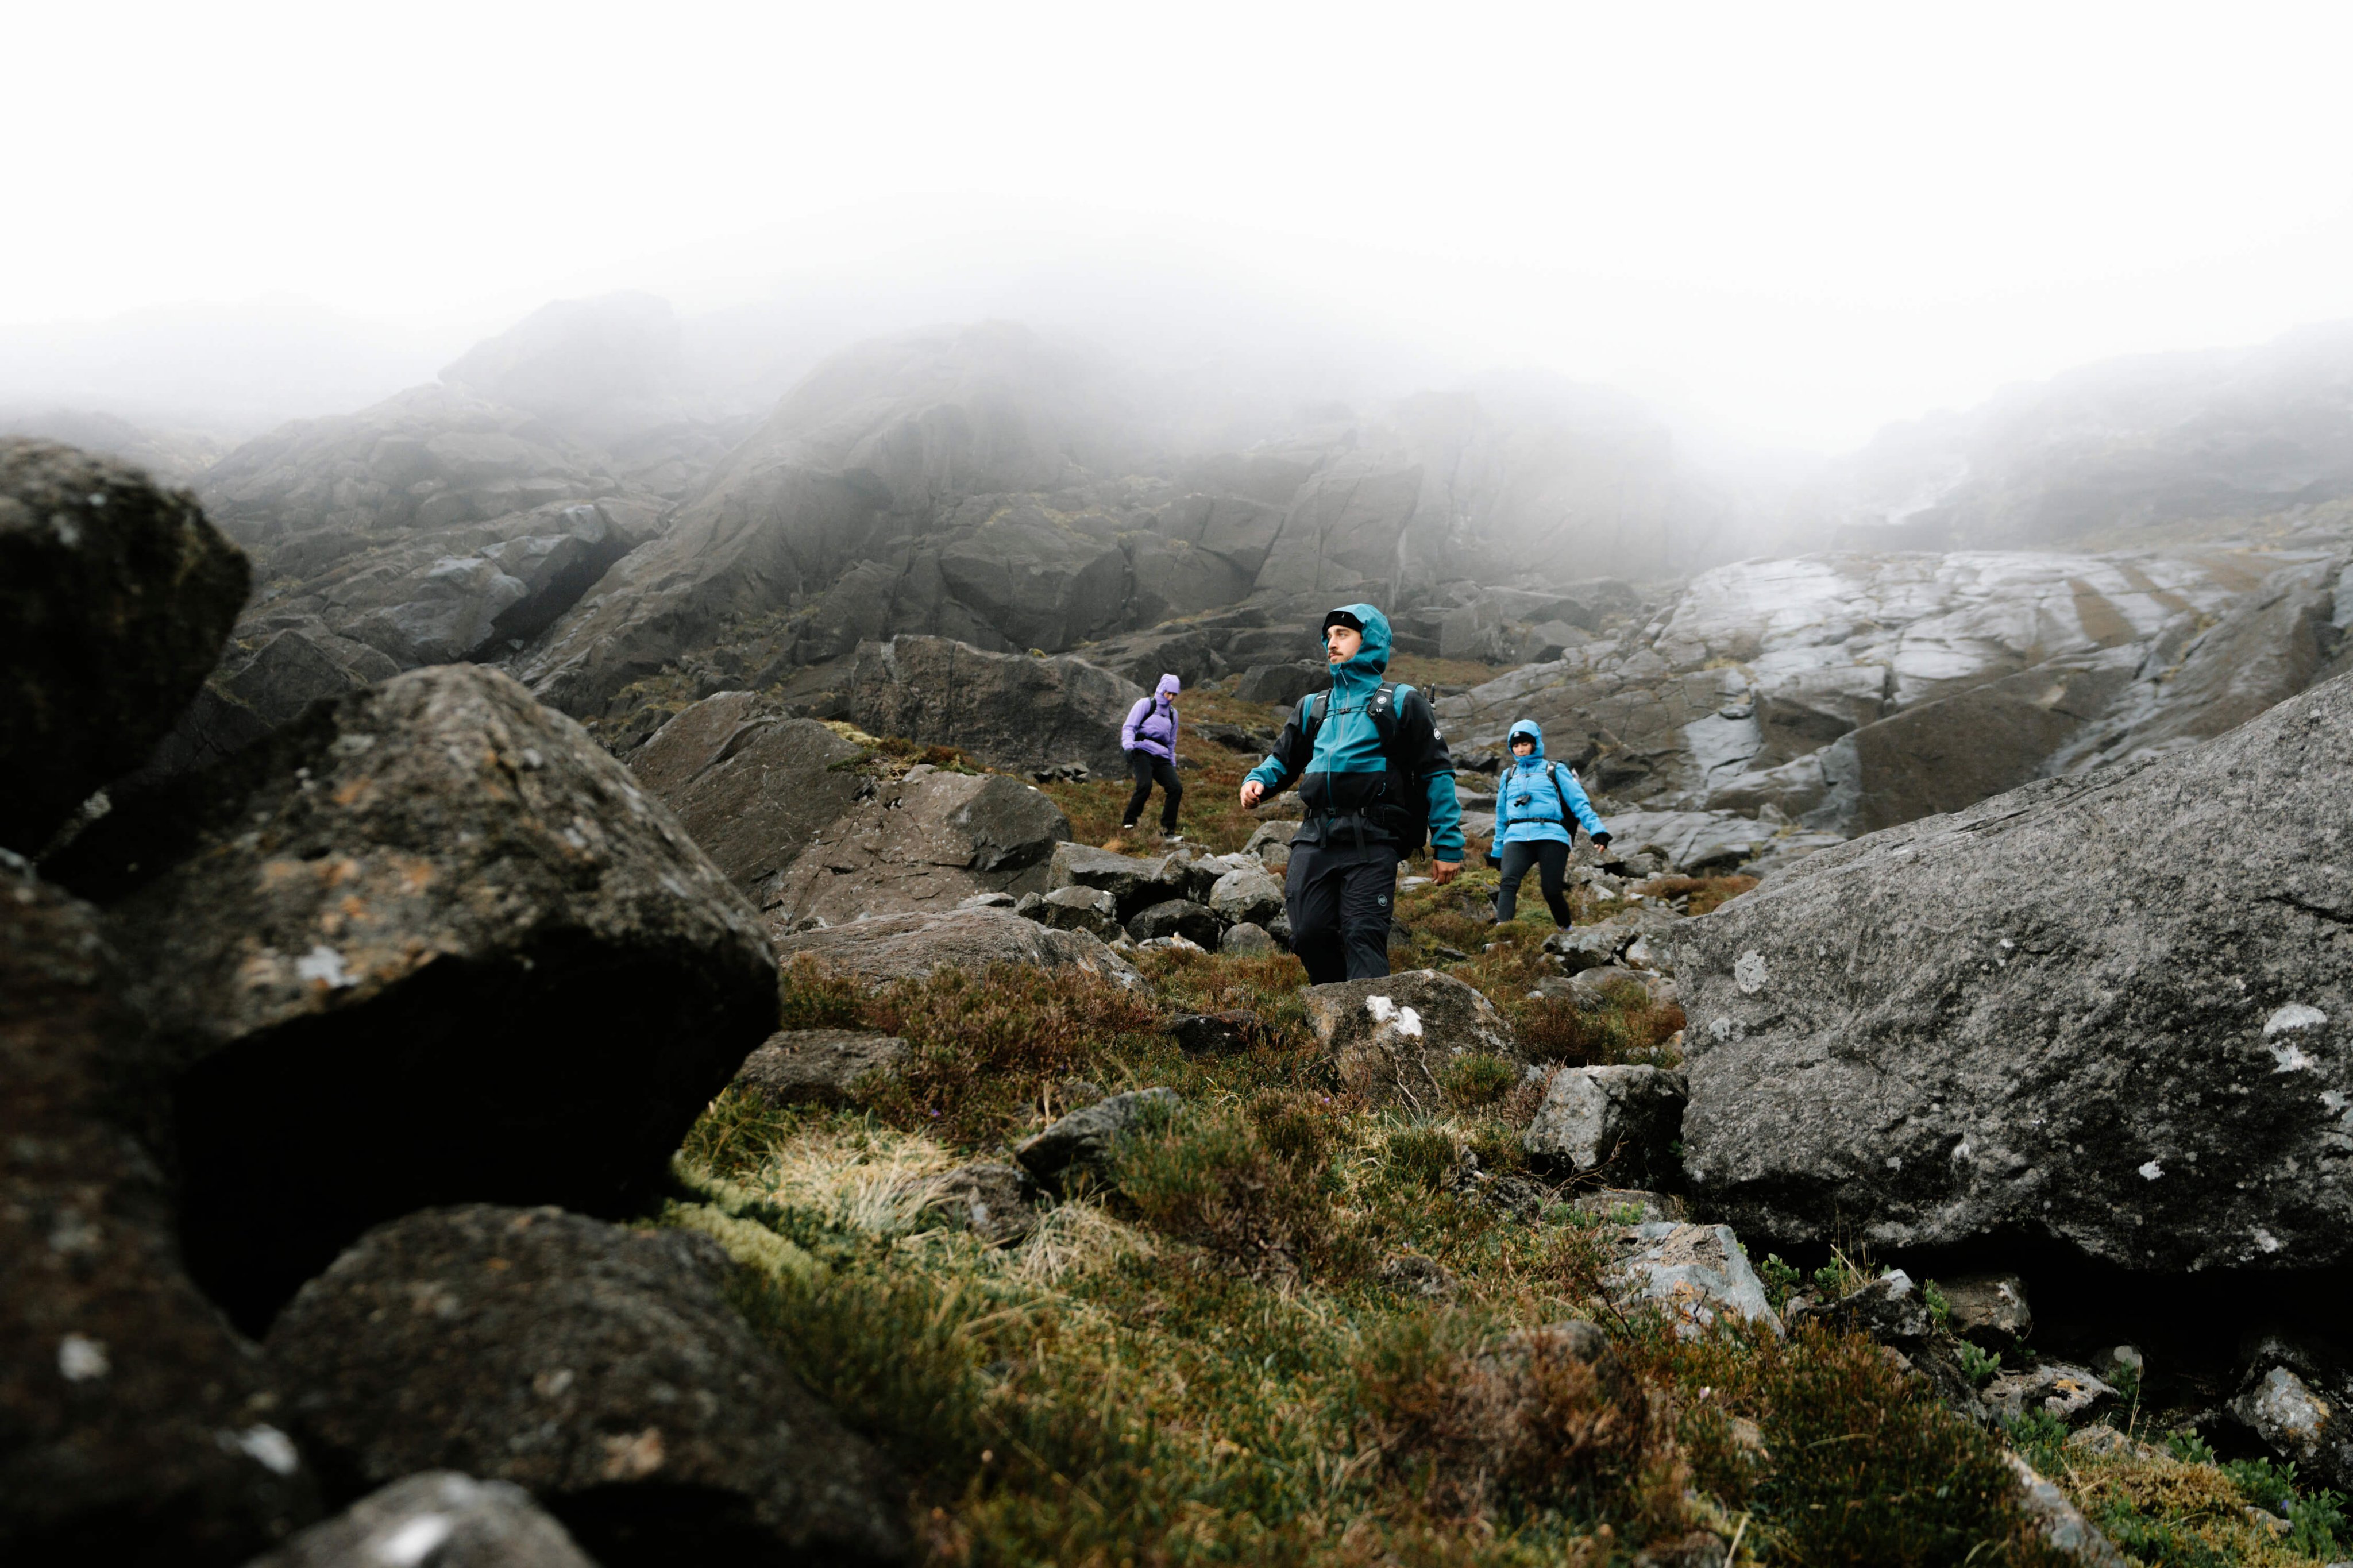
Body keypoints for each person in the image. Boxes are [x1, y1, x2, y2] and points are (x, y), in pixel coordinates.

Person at [1238, 604, 1463, 983]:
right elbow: (1283, 759)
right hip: (1314, 838)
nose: (1332, 643)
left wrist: (1449, 844)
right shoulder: (1314, 706)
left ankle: (1368, 1026)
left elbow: (1436, 772)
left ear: (1370, 639)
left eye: (1343, 634)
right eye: (1328, 637)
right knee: (1308, 935)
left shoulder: (1402, 701)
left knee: (1363, 935)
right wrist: (1258, 780)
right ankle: (1336, 1014)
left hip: (1373, 840)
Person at [1490, 719, 1609, 926]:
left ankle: (1566, 931)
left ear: (1535, 744)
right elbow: (1501, 816)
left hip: (1551, 835)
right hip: (1516, 836)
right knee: (1507, 884)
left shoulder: (1554, 770)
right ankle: (1503, 936)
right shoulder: (1508, 775)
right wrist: (1497, 851)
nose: (1520, 750)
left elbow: (1579, 803)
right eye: (1516, 746)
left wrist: (1597, 831)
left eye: (1525, 744)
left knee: (1552, 890)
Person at [1118, 673, 1185, 839]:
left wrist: (1172, 762)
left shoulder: (1173, 714)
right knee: (1145, 786)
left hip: (1162, 756)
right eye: (1168, 693)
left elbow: (1172, 741)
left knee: (1176, 788)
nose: (1170, 697)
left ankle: (1168, 831)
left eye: (1174, 695)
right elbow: (1129, 727)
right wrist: (1128, 746)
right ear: (1162, 690)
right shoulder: (1146, 704)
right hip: (1142, 751)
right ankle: (1129, 822)